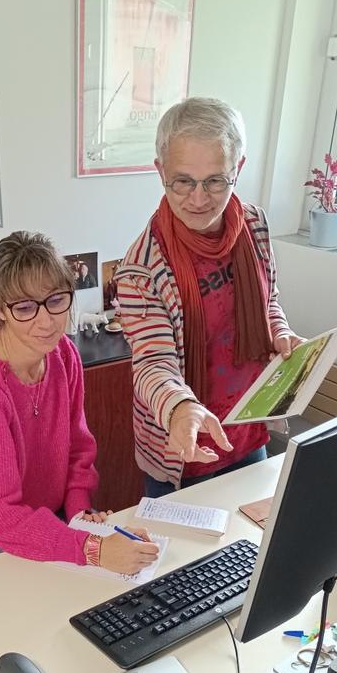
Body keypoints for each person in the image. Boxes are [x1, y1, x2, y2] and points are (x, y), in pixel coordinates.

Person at [0, 230, 158, 574]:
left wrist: (80, 515)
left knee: (125, 582)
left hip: (45, 518)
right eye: (25, 308)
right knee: (82, 592)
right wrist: (93, 549)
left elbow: (78, 451)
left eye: (56, 300)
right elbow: (0, 515)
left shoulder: (64, 355)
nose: (46, 322)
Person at [116, 97, 303, 497]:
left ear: (239, 168)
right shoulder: (142, 268)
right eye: (183, 181)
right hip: (183, 448)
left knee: (251, 533)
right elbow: (153, 362)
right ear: (161, 171)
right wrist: (181, 408)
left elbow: (269, 299)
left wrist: (279, 332)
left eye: (215, 181)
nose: (199, 199)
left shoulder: (254, 225)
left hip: (247, 431)